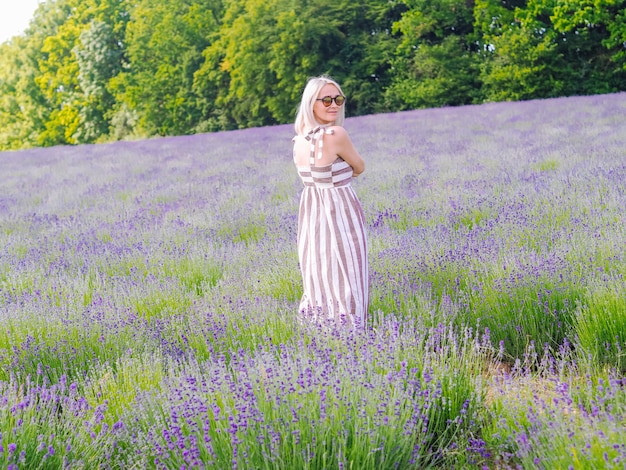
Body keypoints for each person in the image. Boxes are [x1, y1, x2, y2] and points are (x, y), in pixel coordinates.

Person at [292, 76, 368, 328]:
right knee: (348, 274)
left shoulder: (299, 140)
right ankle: (352, 334)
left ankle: (321, 333)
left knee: (319, 274)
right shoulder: (336, 134)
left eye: (338, 99)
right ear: (311, 104)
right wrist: (346, 171)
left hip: (312, 215)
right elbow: (359, 166)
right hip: (340, 213)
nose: (333, 104)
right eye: (325, 99)